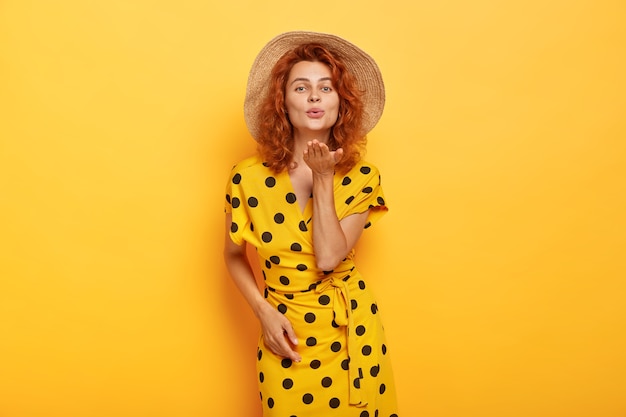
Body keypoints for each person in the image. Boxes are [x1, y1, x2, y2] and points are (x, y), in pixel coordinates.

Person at [224, 31, 399, 417]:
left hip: (350, 335)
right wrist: (263, 313)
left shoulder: (362, 176)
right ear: (282, 103)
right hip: (286, 334)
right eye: (301, 87)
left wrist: (323, 178)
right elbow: (234, 255)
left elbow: (329, 257)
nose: (315, 97)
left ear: (342, 102)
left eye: (327, 87)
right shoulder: (246, 177)